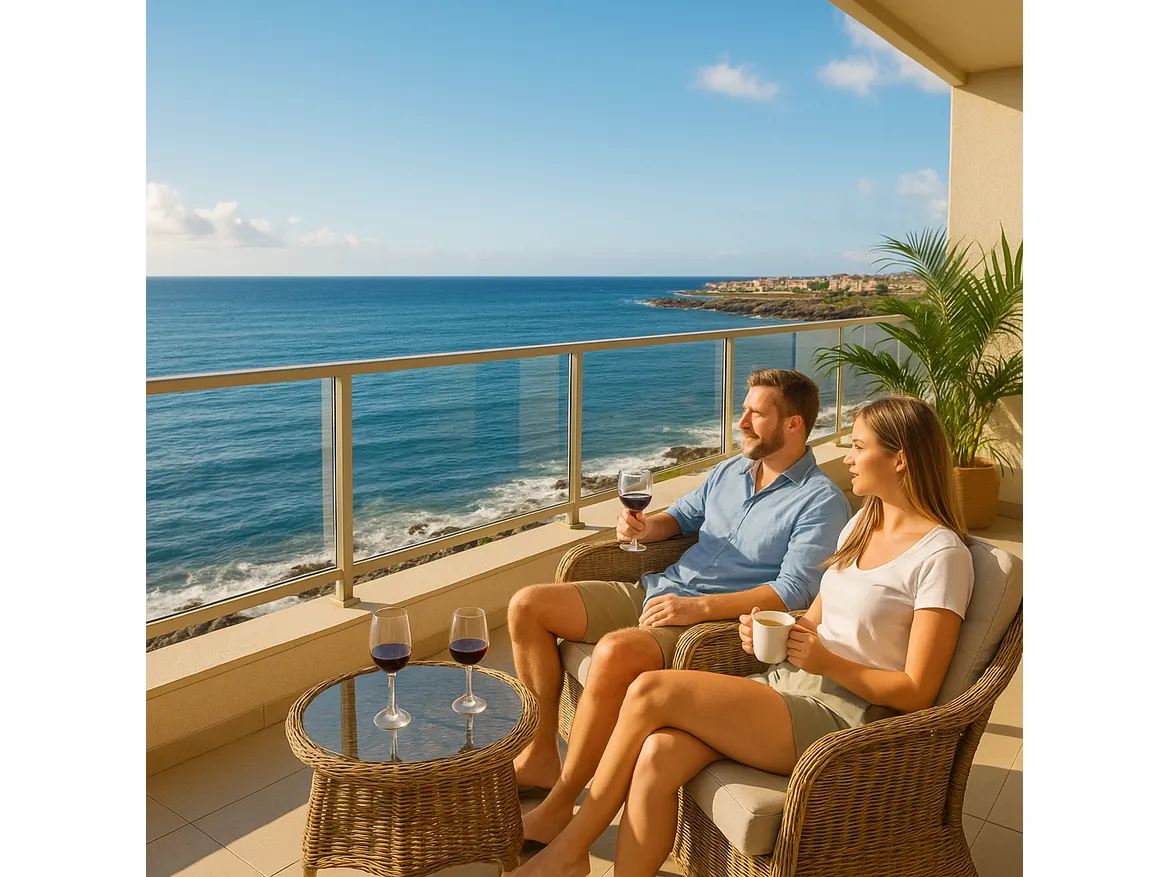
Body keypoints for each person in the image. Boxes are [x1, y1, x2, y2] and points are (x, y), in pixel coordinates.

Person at [507, 395, 975, 877]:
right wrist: (778, 630)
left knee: (650, 689)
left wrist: (826, 662)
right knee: (657, 754)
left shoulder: (941, 556)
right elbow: (815, 613)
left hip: (845, 715)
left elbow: (919, 692)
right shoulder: (863, 523)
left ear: (899, 458)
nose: (849, 458)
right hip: (787, 685)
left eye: (858, 447)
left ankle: (567, 851)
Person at [509, 369, 852, 847]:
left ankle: (562, 803)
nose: (742, 422)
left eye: (756, 413)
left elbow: (794, 591)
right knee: (528, 605)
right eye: (744, 409)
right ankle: (542, 754)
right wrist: (645, 528)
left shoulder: (820, 502)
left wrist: (700, 608)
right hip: (660, 588)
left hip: (712, 621)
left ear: (793, 424)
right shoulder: (730, 470)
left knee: (613, 652)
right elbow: (683, 517)